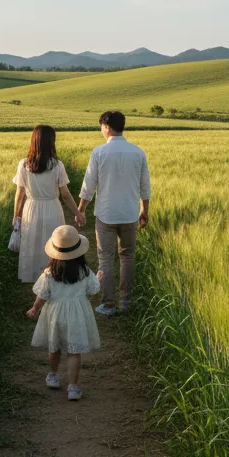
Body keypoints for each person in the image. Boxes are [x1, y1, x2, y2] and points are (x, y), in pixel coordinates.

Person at [77, 110, 150, 315]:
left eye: (102, 127)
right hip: (130, 214)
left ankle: (109, 304)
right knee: (128, 256)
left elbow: (88, 185)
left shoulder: (99, 152)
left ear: (106, 127)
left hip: (106, 214)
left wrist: (81, 209)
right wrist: (145, 211)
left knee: (106, 258)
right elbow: (145, 186)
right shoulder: (138, 152)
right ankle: (126, 302)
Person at [26, 225, 101, 401]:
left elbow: (42, 295)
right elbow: (93, 290)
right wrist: (98, 279)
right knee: (74, 352)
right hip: (77, 316)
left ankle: (53, 375)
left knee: (55, 347)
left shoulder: (49, 273)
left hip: (55, 315)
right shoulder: (84, 272)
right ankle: (73, 387)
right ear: (79, 253)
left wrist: (35, 308)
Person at [13, 125, 86, 283]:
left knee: (32, 242)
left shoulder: (23, 164)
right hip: (52, 208)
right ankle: (53, 275)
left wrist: (16, 216)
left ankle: (34, 277)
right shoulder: (57, 165)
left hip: (31, 208)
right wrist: (78, 213)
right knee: (54, 242)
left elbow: (20, 193)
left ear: (33, 141)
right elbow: (65, 195)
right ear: (51, 142)